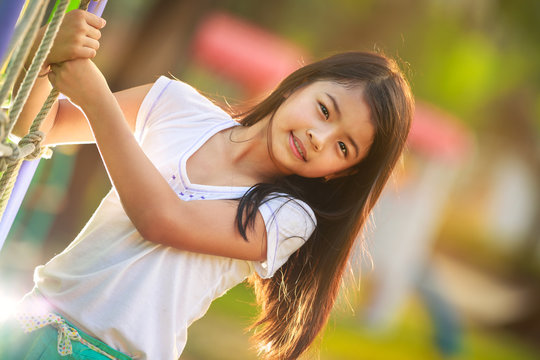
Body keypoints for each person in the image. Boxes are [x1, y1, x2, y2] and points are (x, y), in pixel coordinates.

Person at [0, 9, 414, 360]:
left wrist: (98, 100)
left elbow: (161, 219)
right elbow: (41, 126)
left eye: (343, 147)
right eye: (324, 109)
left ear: (338, 173)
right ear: (298, 84)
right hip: (26, 323)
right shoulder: (174, 106)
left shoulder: (287, 218)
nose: (318, 137)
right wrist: (47, 50)